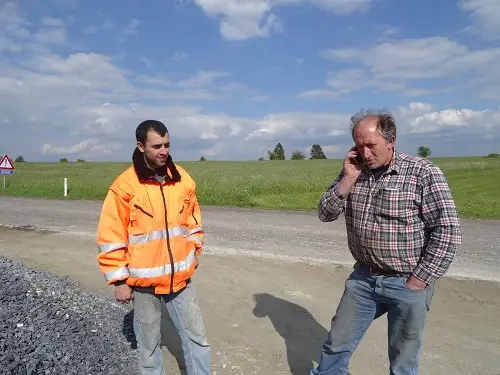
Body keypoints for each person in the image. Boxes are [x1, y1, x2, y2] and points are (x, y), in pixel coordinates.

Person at [310, 109, 462, 375]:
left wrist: (419, 281)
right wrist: (347, 179)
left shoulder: (422, 172)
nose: (365, 153)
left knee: (403, 360)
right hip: (363, 279)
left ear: (391, 141)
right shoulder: (355, 171)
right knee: (336, 346)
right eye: (359, 146)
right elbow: (325, 213)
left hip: (407, 281)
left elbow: (447, 231)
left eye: (371, 145)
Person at [96, 120, 211, 375]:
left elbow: (193, 222)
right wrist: (119, 281)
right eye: (157, 146)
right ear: (140, 147)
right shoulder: (125, 186)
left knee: (198, 340)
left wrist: (195, 249)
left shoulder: (182, 180)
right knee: (148, 346)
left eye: (167, 145)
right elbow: (111, 234)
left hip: (181, 280)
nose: (164, 151)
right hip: (143, 283)